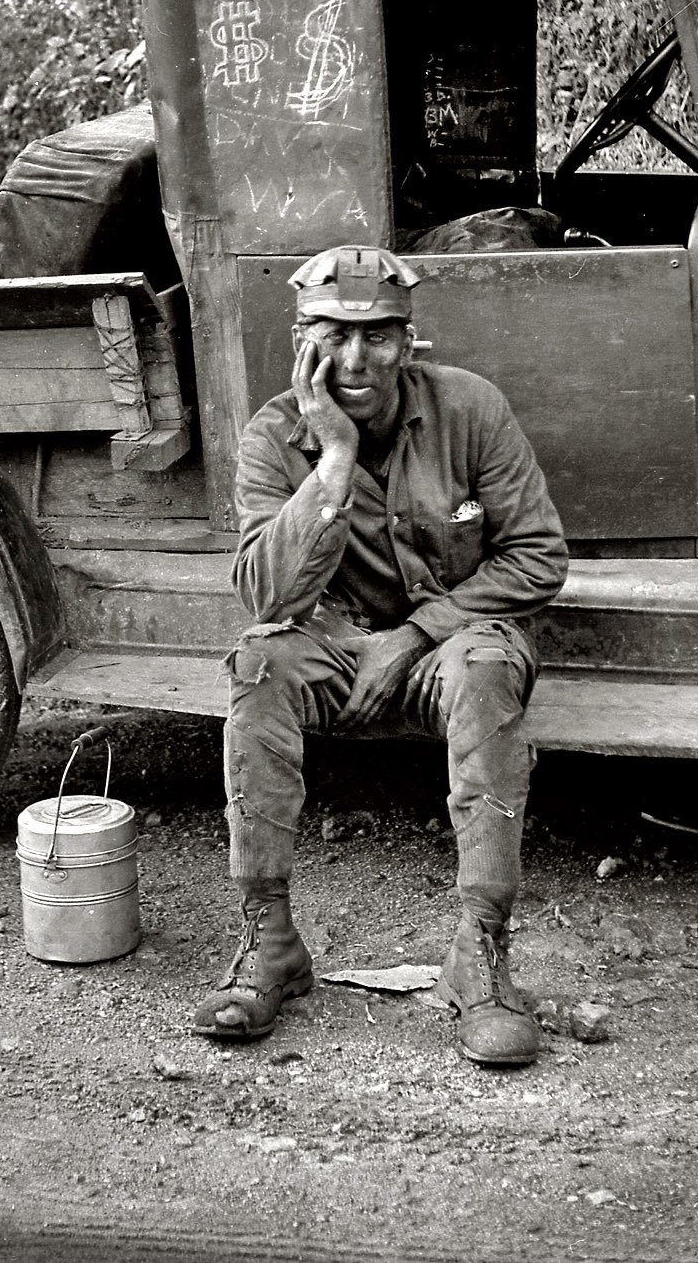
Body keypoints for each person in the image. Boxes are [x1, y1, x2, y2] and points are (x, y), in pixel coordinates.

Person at [191, 244, 569, 1066]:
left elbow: (538, 556)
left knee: (487, 670)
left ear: (411, 340)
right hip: (330, 639)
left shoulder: (470, 409)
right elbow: (268, 596)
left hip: (449, 642)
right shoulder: (273, 436)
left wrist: (416, 632)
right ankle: (270, 945)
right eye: (332, 335)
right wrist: (331, 459)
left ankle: (482, 960)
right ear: (301, 338)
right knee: (258, 665)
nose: (355, 359)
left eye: (379, 336)